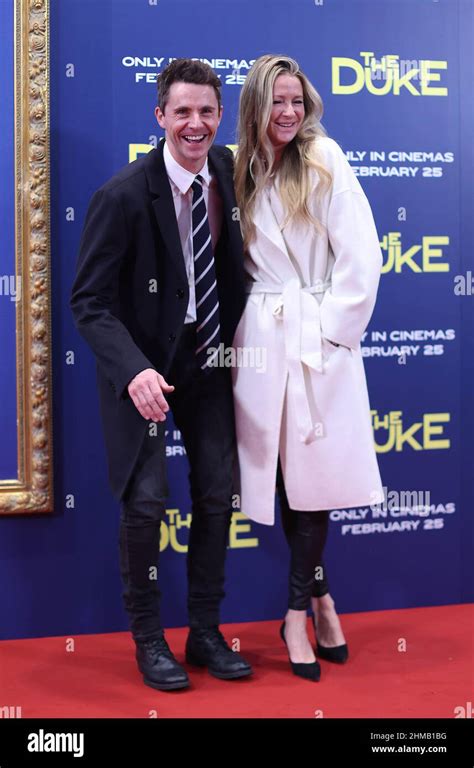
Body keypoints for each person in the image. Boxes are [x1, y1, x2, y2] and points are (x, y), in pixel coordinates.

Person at [70, 59, 252, 691]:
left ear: (220, 116)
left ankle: (203, 631)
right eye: (182, 112)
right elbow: (88, 302)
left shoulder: (228, 173)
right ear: (160, 117)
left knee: (217, 491)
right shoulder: (122, 195)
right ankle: (149, 641)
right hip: (144, 368)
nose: (195, 124)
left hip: (207, 361)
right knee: (146, 500)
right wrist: (134, 370)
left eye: (206, 112)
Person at [233, 54, 384, 681]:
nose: (289, 113)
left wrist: (328, 335)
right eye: (277, 102)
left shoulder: (325, 159)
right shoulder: (236, 168)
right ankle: (321, 596)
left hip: (316, 341)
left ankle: (295, 611)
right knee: (286, 482)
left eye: (297, 100)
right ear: (255, 108)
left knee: (315, 481)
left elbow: (363, 257)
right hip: (262, 345)